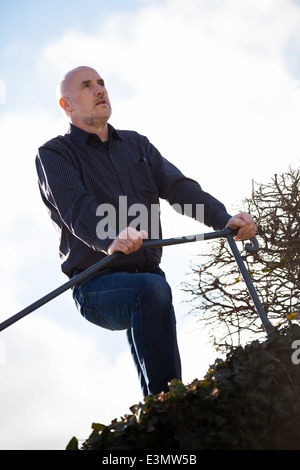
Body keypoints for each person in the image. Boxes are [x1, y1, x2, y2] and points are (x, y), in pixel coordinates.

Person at [35, 66, 256, 398]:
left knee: (152, 287)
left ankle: (160, 403)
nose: (99, 89)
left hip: (148, 276)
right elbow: (74, 207)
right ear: (67, 105)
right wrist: (109, 236)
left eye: (101, 83)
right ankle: (169, 408)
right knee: (150, 290)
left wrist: (223, 220)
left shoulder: (137, 144)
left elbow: (179, 190)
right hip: (94, 283)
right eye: (86, 85)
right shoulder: (54, 154)